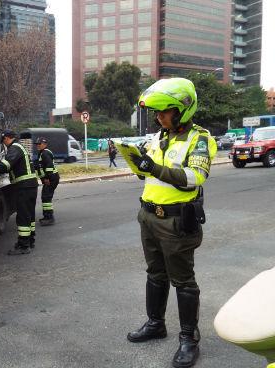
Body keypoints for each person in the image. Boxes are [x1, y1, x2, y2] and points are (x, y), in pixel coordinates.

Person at [126, 78, 217, 368]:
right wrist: (139, 165)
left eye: (164, 111)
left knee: (183, 281)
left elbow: (194, 178)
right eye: (157, 112)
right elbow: (150, 173)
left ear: (183, 110)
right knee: (155, 274)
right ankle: (156, 324)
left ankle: (189, 339)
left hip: (176, 221)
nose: (159, 116)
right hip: (148, 216)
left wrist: (153, 167)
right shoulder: (159, 137)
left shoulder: (200, 138)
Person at [0, 130, 38, 255]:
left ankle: (23, 245)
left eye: (3, 141)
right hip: (30, 186)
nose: (4, 144)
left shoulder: (14, 147)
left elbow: (5, 165)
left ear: (6, 138)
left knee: (22, 216)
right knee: (29, 215)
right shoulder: (20, 147)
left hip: (24, 187)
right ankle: (30, 240)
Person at [35, 137, 59, 226]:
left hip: (51, 178)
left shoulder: (45, 153)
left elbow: (49, 166)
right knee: (45, 197)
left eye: (39, 144)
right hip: (50, 178)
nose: (37, 145)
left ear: (45, 144)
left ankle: (49, 218)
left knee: (46, 197)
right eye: (37, 144)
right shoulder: (42, 153)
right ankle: (47, 216)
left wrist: (47, 178)